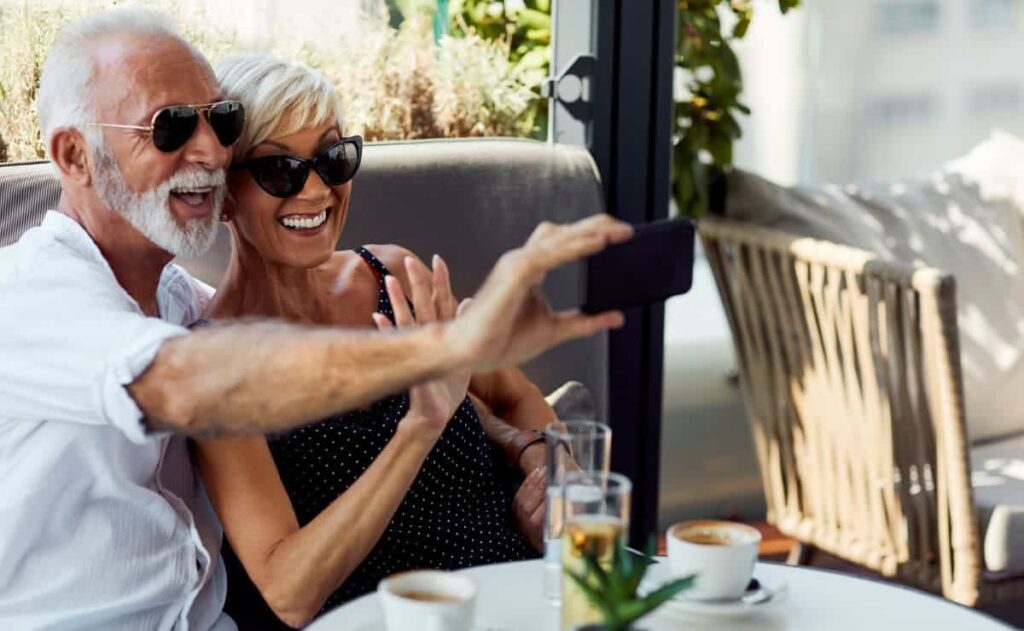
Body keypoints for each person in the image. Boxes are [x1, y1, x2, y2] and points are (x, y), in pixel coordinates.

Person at [0, 9, 632, 631]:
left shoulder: (175, 295)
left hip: (508, 585)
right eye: (168, 128)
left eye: (219, 124)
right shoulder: (39, 301)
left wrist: (537, 459)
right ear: (75, 156)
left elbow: (498, 394)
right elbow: (195, 383)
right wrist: (426, 393)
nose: (208, 152)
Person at [193, 53, 563, 629]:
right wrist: (419, 427)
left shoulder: (392, 276)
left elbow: (517, 397)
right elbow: (289, 591)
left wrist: (550, 476)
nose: (315, 190)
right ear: (222, 194)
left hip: (516, 594)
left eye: (332, 158)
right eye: (278, 170)